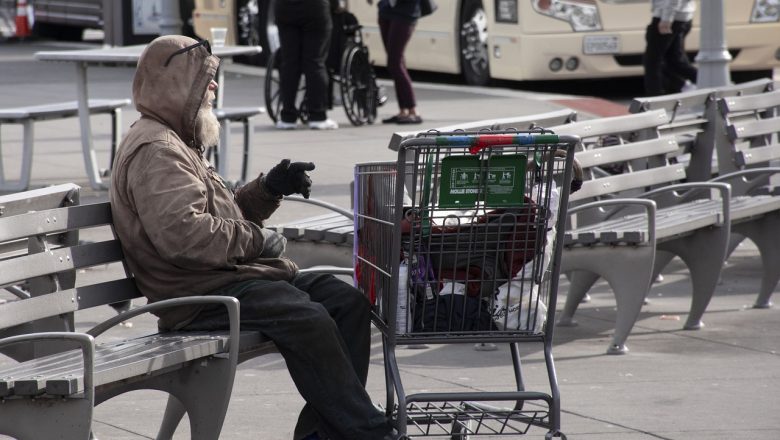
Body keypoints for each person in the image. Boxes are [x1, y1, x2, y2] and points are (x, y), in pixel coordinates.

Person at [110, 35, 400, 440]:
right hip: (196, 295)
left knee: (345, 302)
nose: (213, 88)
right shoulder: (157, 150)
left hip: (227, 277)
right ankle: (369, 431)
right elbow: (185, 237)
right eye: (205, 80)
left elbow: (220, 215)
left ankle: (327, 434)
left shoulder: (176, 140)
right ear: (176, 85)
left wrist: (269, 189)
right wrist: (258, 241)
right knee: (306, 316)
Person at [275, 0, 339, 130]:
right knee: (315, 62)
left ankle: (287, 116)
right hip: (315, 8)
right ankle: (317, 115)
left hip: (285, 9)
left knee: (289, 63)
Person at [375, 0, 425, 125]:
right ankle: (403, 110)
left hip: (405, 12)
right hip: (386, 10)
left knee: (394, 62)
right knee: (396, 62)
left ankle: (413, 110)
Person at [642, 0, 698, 96]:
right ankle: (705, 82)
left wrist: (666, 19)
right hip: (682, 16)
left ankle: (655, 99)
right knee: (674, 61)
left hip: (669, 18)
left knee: (652, 62)